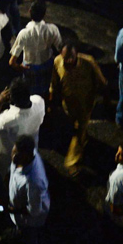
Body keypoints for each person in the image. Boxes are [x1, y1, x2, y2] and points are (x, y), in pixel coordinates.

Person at [49, 38, 106, 172]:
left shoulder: (88, 62)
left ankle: (72, 161)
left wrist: (105, 98)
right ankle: (84, 138)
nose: (68, 61)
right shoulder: (57, 61)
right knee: (74, 125)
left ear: (77, 54)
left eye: (71, 57)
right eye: (65, 58)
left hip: (85, 104)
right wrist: (51, 100)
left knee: (79, 129)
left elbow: (101, 81)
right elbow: (54, 83)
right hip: (67, 104)